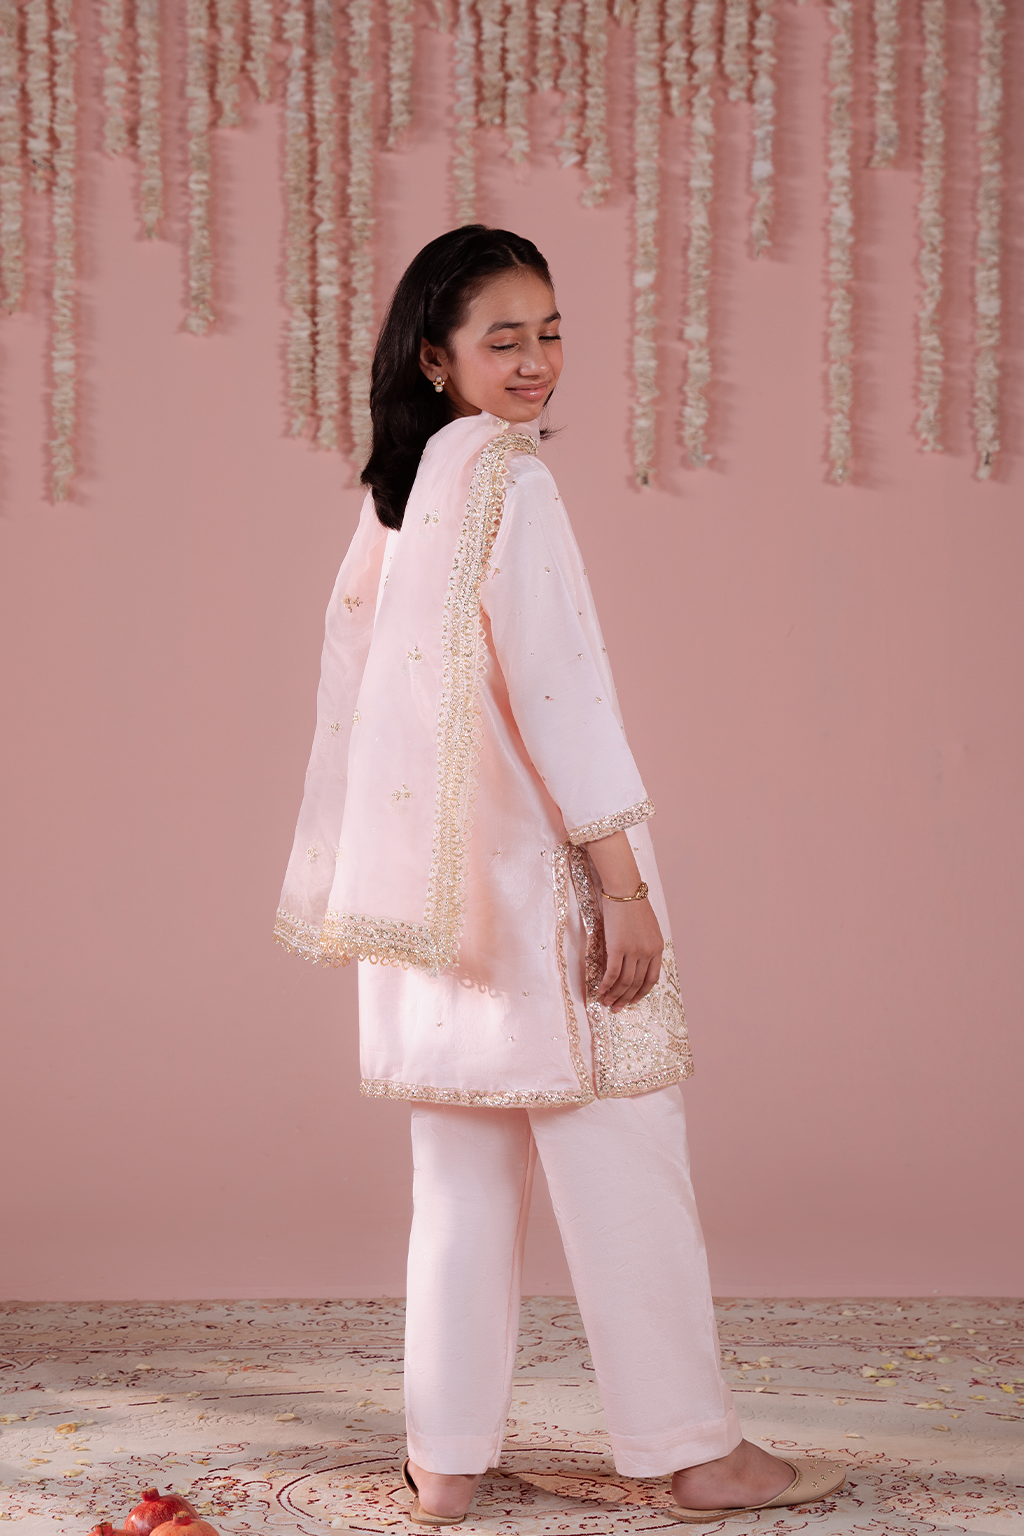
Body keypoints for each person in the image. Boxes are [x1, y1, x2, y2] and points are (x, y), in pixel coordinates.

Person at [275, 226, 844, 1526]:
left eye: (551, 332)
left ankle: (445, 1465)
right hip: (538, 897)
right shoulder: (509, 485)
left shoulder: (399, 496)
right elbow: (558, 694)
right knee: (624, 1162)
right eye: (503, 339)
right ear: (437, 357)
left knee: (458, 1188)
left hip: (429, 911)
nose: (535, 361)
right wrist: (623, 886)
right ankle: (695, 1454)